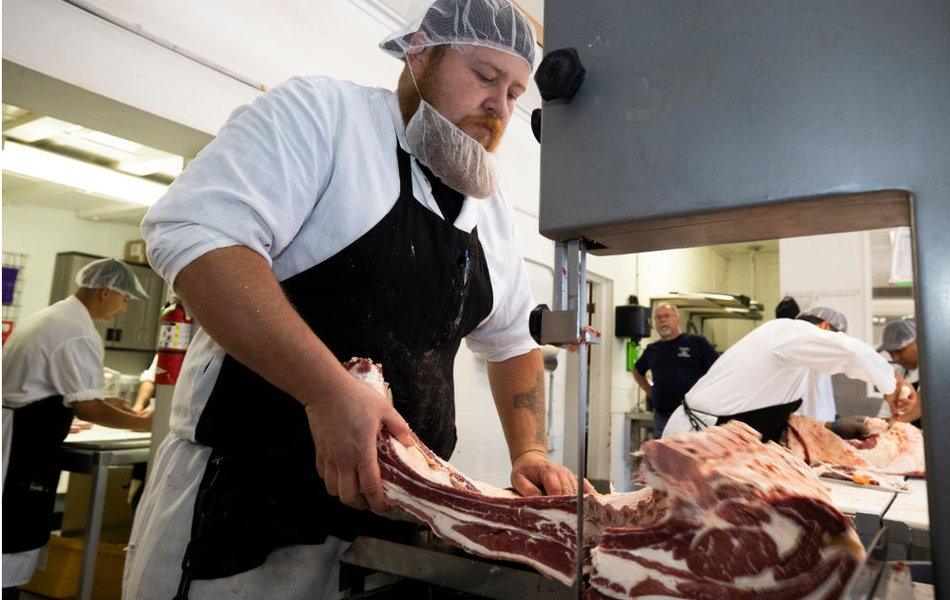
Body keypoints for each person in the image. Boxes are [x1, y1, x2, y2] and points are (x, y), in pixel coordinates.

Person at [122, 3, 587, 599]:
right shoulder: (323, 116)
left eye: (516, 92)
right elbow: (199, 237)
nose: (500, 106)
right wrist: (326, 391)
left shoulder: (489, 207)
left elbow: (511, 341)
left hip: (389, 523)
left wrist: (530, 450)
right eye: (485, 76)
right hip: (247, 507)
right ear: (421, 55)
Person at [2, 258, 154, 598]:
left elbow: (68, 394)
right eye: (124, 298)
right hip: (21, 448)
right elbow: (87, 406)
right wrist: (140, 422)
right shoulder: (77, 331)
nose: (124, 307)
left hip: (16, 433)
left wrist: (106, 404)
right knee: (12, 534)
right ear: (105, 292)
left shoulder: (54, 316)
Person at [662, 306, 917, 442]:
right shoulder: (786, 330)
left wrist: (831, 428)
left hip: (724, 442)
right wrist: (891, 385)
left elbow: (769, 415)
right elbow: (848, 352)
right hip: (696, 438)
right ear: (824, 327)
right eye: (832, 337)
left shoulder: (792, 361)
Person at [631, 303, 718, 438]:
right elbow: (637, 371)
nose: (662, 320)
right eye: (658, 317)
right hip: (663, 418)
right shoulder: (652, 349)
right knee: (663, 457)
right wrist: (650, 391)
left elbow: (717, 368)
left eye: (666, 316)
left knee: (692, 456)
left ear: (677, 318)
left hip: (692, 416)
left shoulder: (697, 343)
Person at [878, 320, 922, 425]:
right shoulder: (899, 373)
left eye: (899, 351)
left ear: (918, 342)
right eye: (891, 353)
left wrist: (896, 422)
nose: (896, 358)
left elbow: (923, 405)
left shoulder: (936, 371)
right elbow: (884, 414)